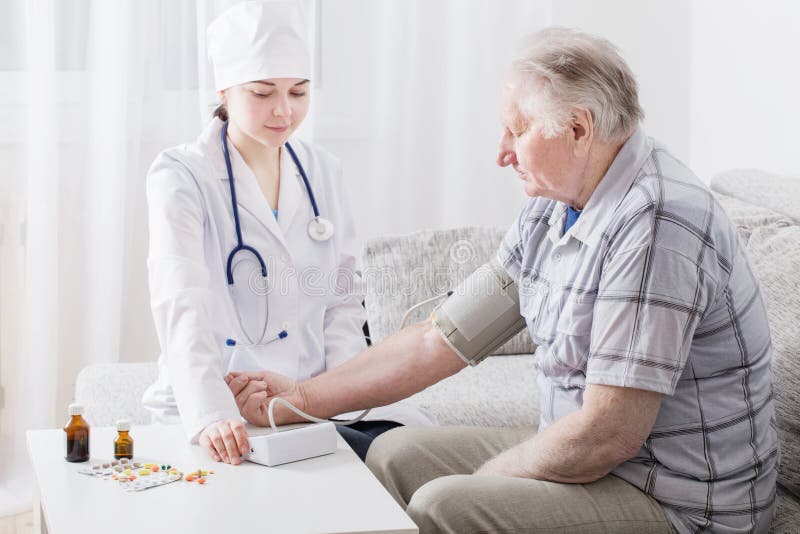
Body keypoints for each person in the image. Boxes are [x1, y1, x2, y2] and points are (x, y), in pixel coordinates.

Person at [227, 27, 779, 533]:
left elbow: (606, 434)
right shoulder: (557, 200)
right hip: (609, 462)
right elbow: (438, 340)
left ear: (578, 128)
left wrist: (484, 483)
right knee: (392, 454)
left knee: (445, 504)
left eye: (517, 130)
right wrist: (300, 396)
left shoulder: (657, 224)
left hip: (680, 502)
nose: (501, 152)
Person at [142, 0, 430, 465]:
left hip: (313, 396)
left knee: (410, 450)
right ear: (224, 90)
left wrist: (336, 394)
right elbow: (180, 301)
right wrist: (212, 412)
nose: (283, 110)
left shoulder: (323, 171)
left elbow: (343, 300)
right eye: (262, 93)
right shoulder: (181, 175)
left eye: (299, 92)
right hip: (227, 397)